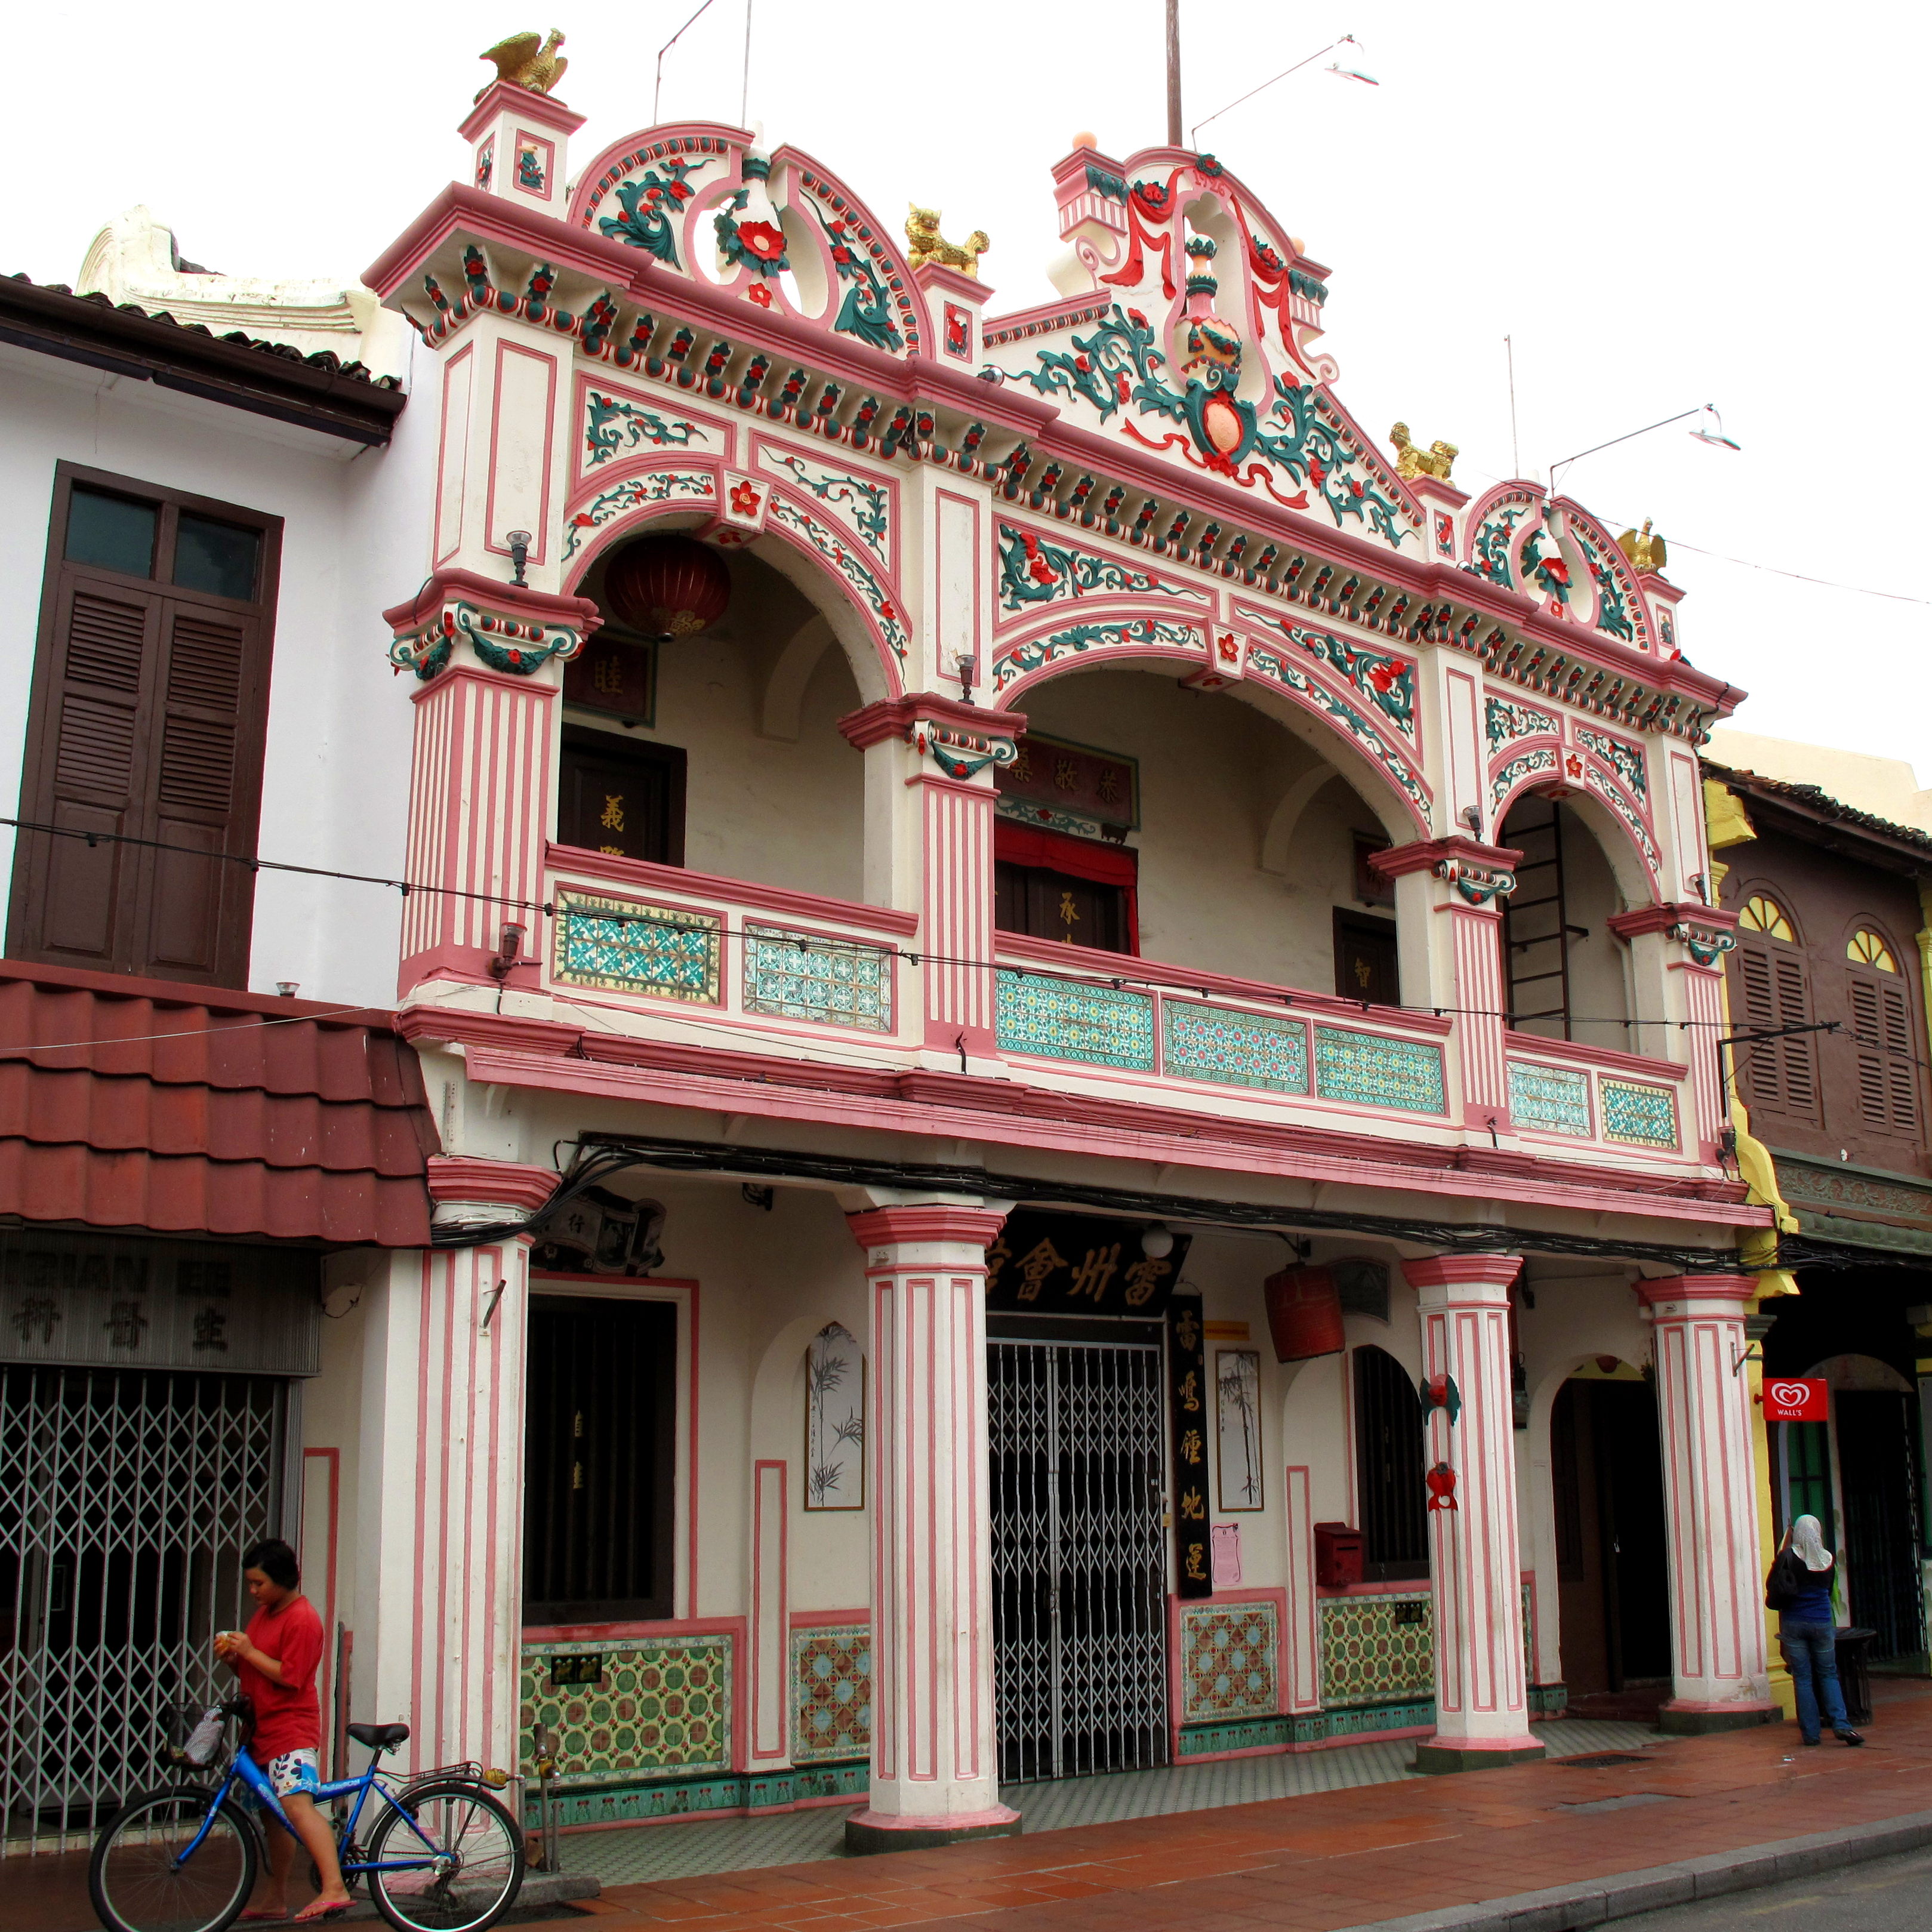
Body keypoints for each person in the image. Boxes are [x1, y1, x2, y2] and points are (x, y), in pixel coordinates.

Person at [215, 1537, 353, 1923]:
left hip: (292, 1729)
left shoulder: (303, 1618)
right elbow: (255, 1670)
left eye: (259, 1583)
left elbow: (291, 1676)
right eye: (250, 1583)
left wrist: (248, 1652)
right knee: (272, 1815)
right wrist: (233, 1659)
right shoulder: (264, 1615)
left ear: (281, 1579)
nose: (253, 1591)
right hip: (262, 1729)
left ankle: (334, 1886)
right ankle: (275, 1896)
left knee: (296, 1804)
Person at [1767, 1514, 1864, 1748]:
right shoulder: (1828, 1559)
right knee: (1829, 1674)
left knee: (1803, 1678)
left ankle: (1811, 1734)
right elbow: (1829, 1591)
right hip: (1821, 1623)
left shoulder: (1788, 1556)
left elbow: (1773, 1584)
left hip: (1795, 1623)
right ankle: (1841, 1724)